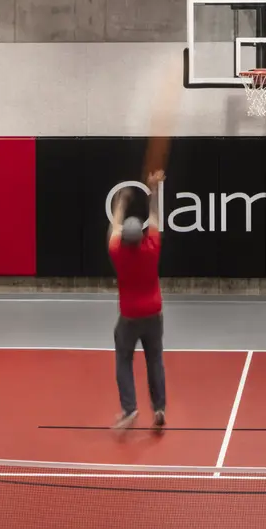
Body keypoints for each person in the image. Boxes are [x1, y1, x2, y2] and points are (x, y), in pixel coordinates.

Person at [108, 170, 166, 431]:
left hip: (129, 317)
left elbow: (114, 227)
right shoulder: (152, 249)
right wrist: (153, 191)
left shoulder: (117, 253)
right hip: (154, 314)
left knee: (123, 360)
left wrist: (120, 202)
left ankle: (130, 408)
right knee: (155, 360)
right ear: (141, 236)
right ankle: (159, 408)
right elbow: (154, 216)